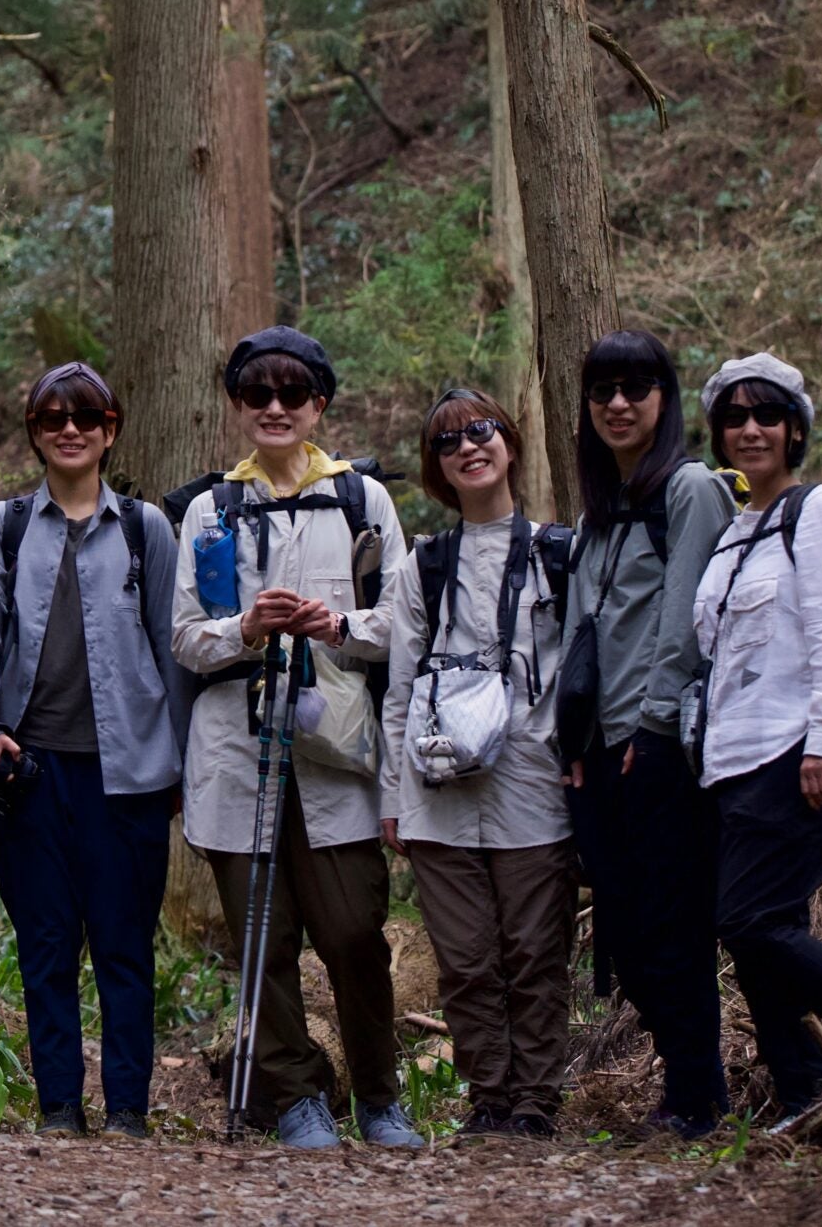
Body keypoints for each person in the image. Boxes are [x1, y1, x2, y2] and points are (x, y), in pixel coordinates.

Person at [173, 326, 418, 1152]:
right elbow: (184, 635)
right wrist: (246, 626)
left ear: (319, 404)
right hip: (234, 747)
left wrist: (335, 624)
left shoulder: (361, 500)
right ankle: (296, 1095)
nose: (274, 407)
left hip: (333, 744)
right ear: (238, 405)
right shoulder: (209, 508)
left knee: (352, 929)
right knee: (263, 938)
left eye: (292, 393)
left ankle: (379, 1094)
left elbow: (402, 622)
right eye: (257, 393)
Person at [0, 363, 185, 1139]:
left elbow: (172, 650)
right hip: (30, 771)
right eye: (53, 417)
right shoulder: (4, 526)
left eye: (86, 416)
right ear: (35, 431)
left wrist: (183, 766)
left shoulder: (147, 529)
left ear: (110, 429)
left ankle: (127, 1110)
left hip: (130, 776)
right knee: (46, 943)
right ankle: (59, 1105)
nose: (70, 429)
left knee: (124, 945)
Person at [558, 329, 739, 1137]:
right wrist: (570, 740)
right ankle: (691, 1085)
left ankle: (698, 1096)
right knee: (627, 933)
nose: (619, 404)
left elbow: (688, 618)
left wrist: (657, 727)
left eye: (636, 388)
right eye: (603, 391)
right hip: (598, 751)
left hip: (659, 745)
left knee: (673, 925)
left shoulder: (690, 489)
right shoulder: (600, 514)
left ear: (665, 399)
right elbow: (582, 635)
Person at [379, 389, 572, 1140]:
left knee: (535, 951)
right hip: (440, 793)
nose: (468, 447)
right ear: (437, 469)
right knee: (464, 958)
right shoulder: (423, 565)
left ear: (510, 443)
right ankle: (489, 1098)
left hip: (533, 785)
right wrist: (392, 798)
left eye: (481, 431)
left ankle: (536, 1102)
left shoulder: (558, 554)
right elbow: (400, 688)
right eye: (448, 442)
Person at [692, 352, 822, 1120]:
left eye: (767, 414)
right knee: (760, 935)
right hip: (733, 764)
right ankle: (804, 1097)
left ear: (795, 429)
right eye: (734, 417)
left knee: (750, 920)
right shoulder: (736, 533)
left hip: (796, 754)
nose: (751, 429)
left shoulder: (819, 510)